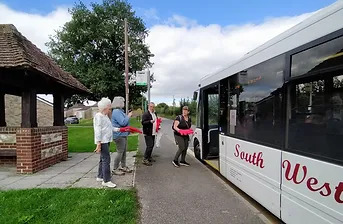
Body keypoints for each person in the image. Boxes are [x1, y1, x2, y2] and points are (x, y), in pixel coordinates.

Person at [93, 97, 116, 188]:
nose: (110, 109)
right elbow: (98, 130)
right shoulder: (98, 116)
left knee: (103, 159)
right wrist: (98, 143)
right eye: (109, 108)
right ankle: (106, 180)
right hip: (102, 141)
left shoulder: (105, 116)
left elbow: (110, 128)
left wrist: (121, 129)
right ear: (104, 107)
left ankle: (100, 176)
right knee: (106, 159)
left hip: (106, 140)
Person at [111, 96, 133, 175]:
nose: (124, 103)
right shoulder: (117, 111)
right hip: (119, 135)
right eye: (123, 102)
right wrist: (128, 116)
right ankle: (115, 168)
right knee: (120, 152)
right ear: (119, 103)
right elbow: (123, 122)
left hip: (123, 134)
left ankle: (123, 166)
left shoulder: (120, 111)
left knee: (123, 152)